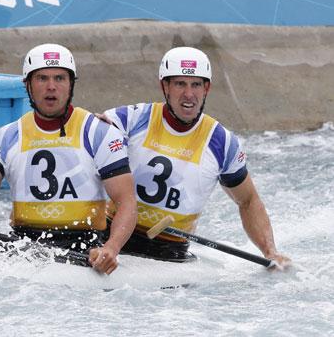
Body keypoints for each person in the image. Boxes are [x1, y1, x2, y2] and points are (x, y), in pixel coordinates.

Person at [0, 43, 138, 275]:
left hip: (83, 249)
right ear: (27, 85)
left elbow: (127, 203)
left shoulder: (98, 133)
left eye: (60, 78)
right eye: (42, 78)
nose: (51, 87)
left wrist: (111, 248)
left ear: (71, 84)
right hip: (23, 247)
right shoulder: (5, 137)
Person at [102, 46, 291, 268]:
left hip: (170, 253)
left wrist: (270, 252)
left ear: (207, 88)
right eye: (180, 84)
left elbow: (248, 201)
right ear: (165, 86)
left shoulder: (222, 142)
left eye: (196, 85)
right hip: (109, 238)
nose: (189, 94)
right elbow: (85, 144)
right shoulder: (131, 119)